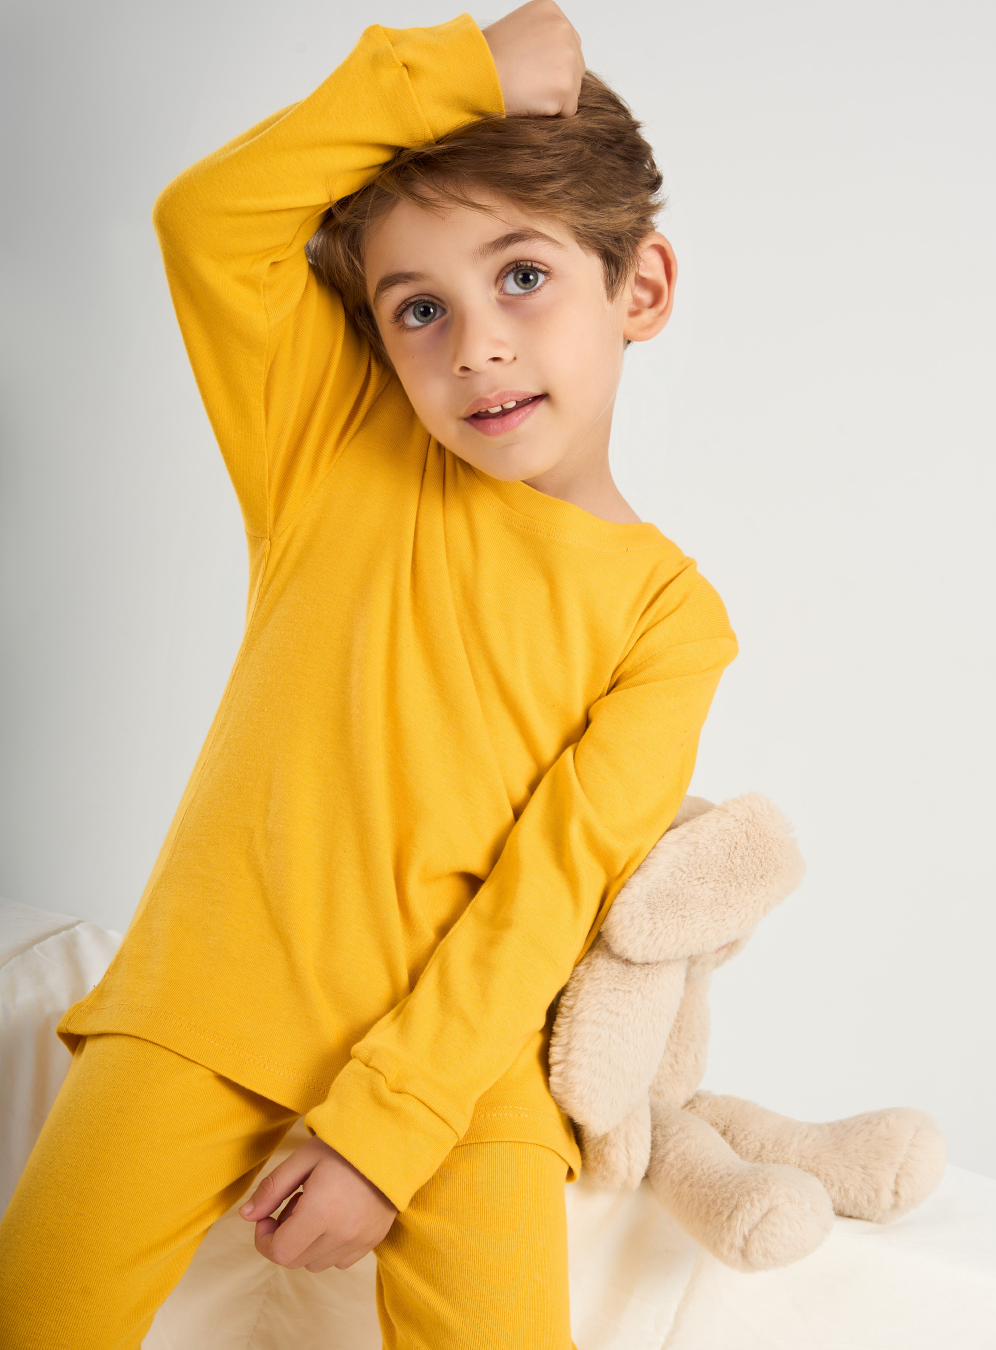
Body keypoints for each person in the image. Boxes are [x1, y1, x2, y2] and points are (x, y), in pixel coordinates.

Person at [0, 3, 738, 1346]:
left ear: (640, 288)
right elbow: (205, 220)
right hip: (211, 993)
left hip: (462, 1073)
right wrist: (458, 72)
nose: (476, 346)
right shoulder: (334, 446)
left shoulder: (672, 622)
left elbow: (546, 896)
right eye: (420, 309)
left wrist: (385, 1132)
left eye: (523, 276)